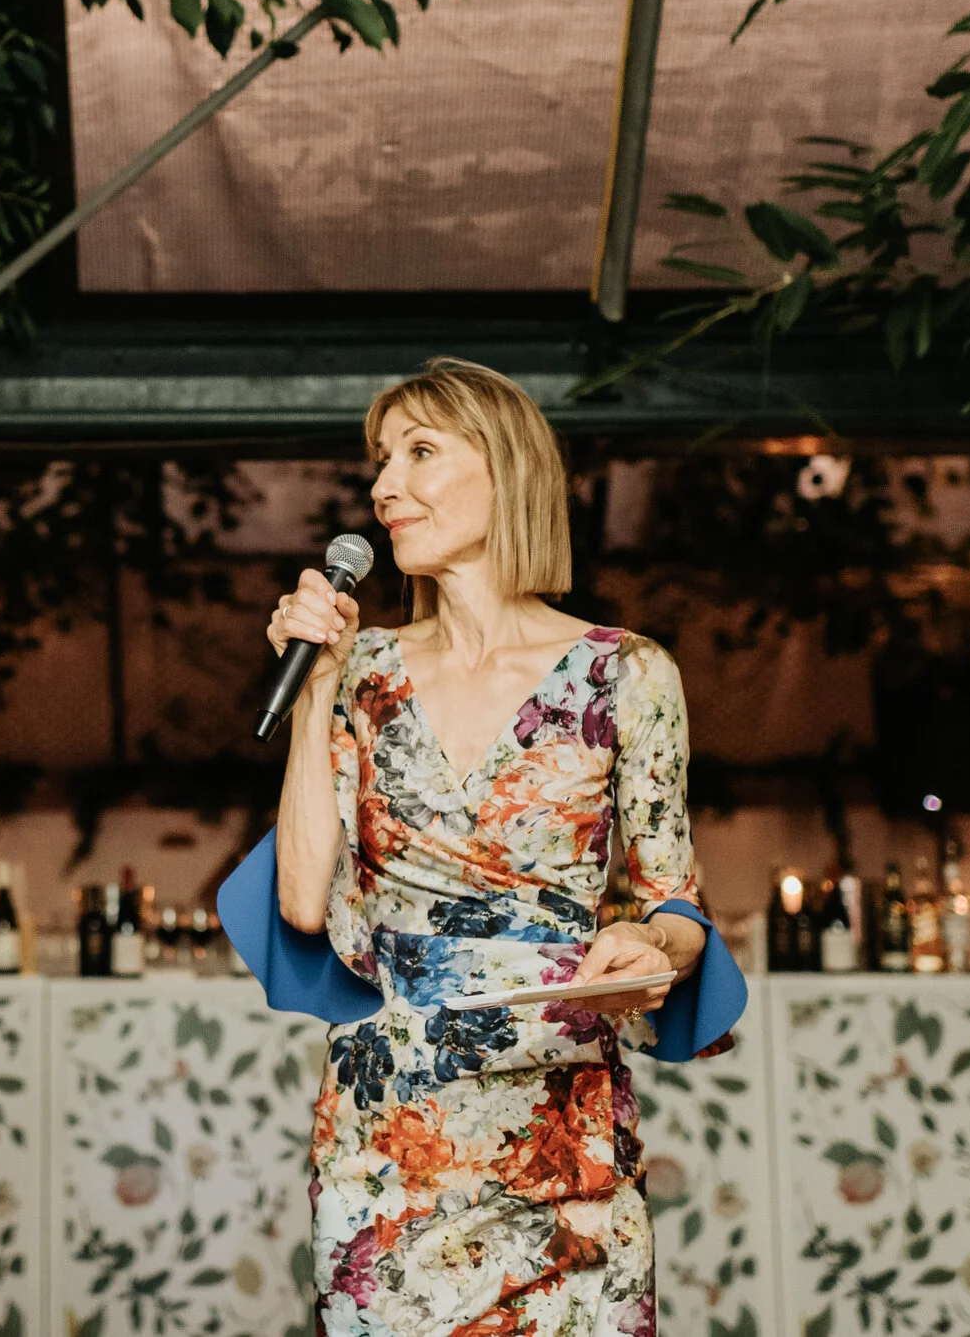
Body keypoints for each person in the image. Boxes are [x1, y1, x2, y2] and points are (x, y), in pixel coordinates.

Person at [266, 358, 709, 1337]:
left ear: (506, 469)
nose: (384, 487)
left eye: (420, 452)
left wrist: (650, 946)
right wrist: (315, 685)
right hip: (390, 1139)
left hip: (563, 1132)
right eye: (381, 461)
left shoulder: (627, 674)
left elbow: (676, 906)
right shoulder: (362, 669)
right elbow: (301, 900)